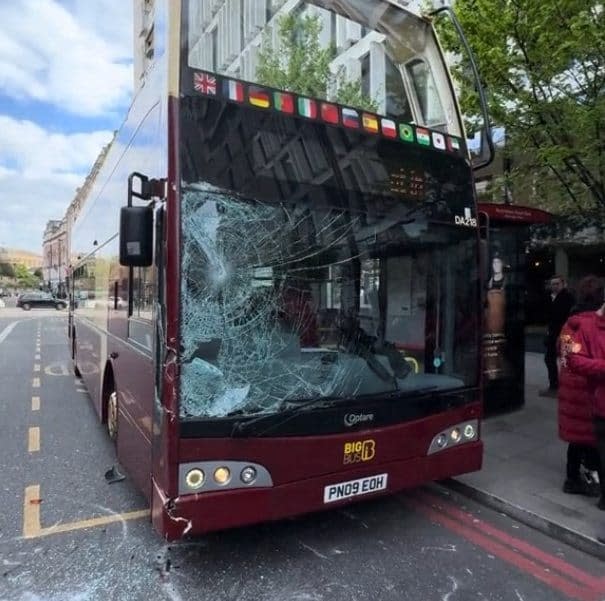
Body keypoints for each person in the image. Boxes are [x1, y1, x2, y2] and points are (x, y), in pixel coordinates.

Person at [557, 275, 602, 496]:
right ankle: (592, 479)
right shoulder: (596, 325)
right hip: (589, 391)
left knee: (576, 440)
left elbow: (565, 357)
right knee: (593, 440)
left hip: (570, 390)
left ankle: (572, 479)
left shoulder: (569, 325)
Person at [566, 298, 605, 542]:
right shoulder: (578, 328)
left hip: (584, 398)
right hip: (586, 399)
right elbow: (569, 357)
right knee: (581, 443)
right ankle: (573, 479)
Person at [541, 275, 575, 396]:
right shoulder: (549, 297)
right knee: (550, 359)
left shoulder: (568, 298)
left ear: (563, 284)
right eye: (553, 284)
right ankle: (555, 385)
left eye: (557, 283)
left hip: (564, 333)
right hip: (553, 333)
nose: (554, 286)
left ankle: (563, 387)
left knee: (565, 360)